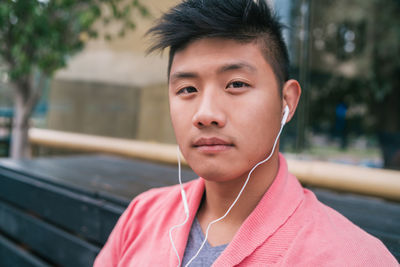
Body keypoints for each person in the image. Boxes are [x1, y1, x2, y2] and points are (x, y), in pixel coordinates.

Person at [94, 0, 398, 266]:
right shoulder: (143, 215)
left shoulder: (353, 257)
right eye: (187, 89)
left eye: (236, 84)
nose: (206, 114)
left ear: (287, 102)